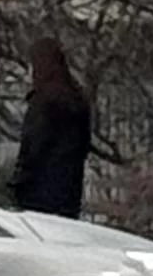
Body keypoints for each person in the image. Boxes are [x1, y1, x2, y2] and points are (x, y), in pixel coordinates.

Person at [13, 37, 94, 219]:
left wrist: (18, 182)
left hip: (39, 193)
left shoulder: (43, 101)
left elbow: (33, 146)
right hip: (70, 190)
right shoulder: (78, 97)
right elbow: (85, 144)